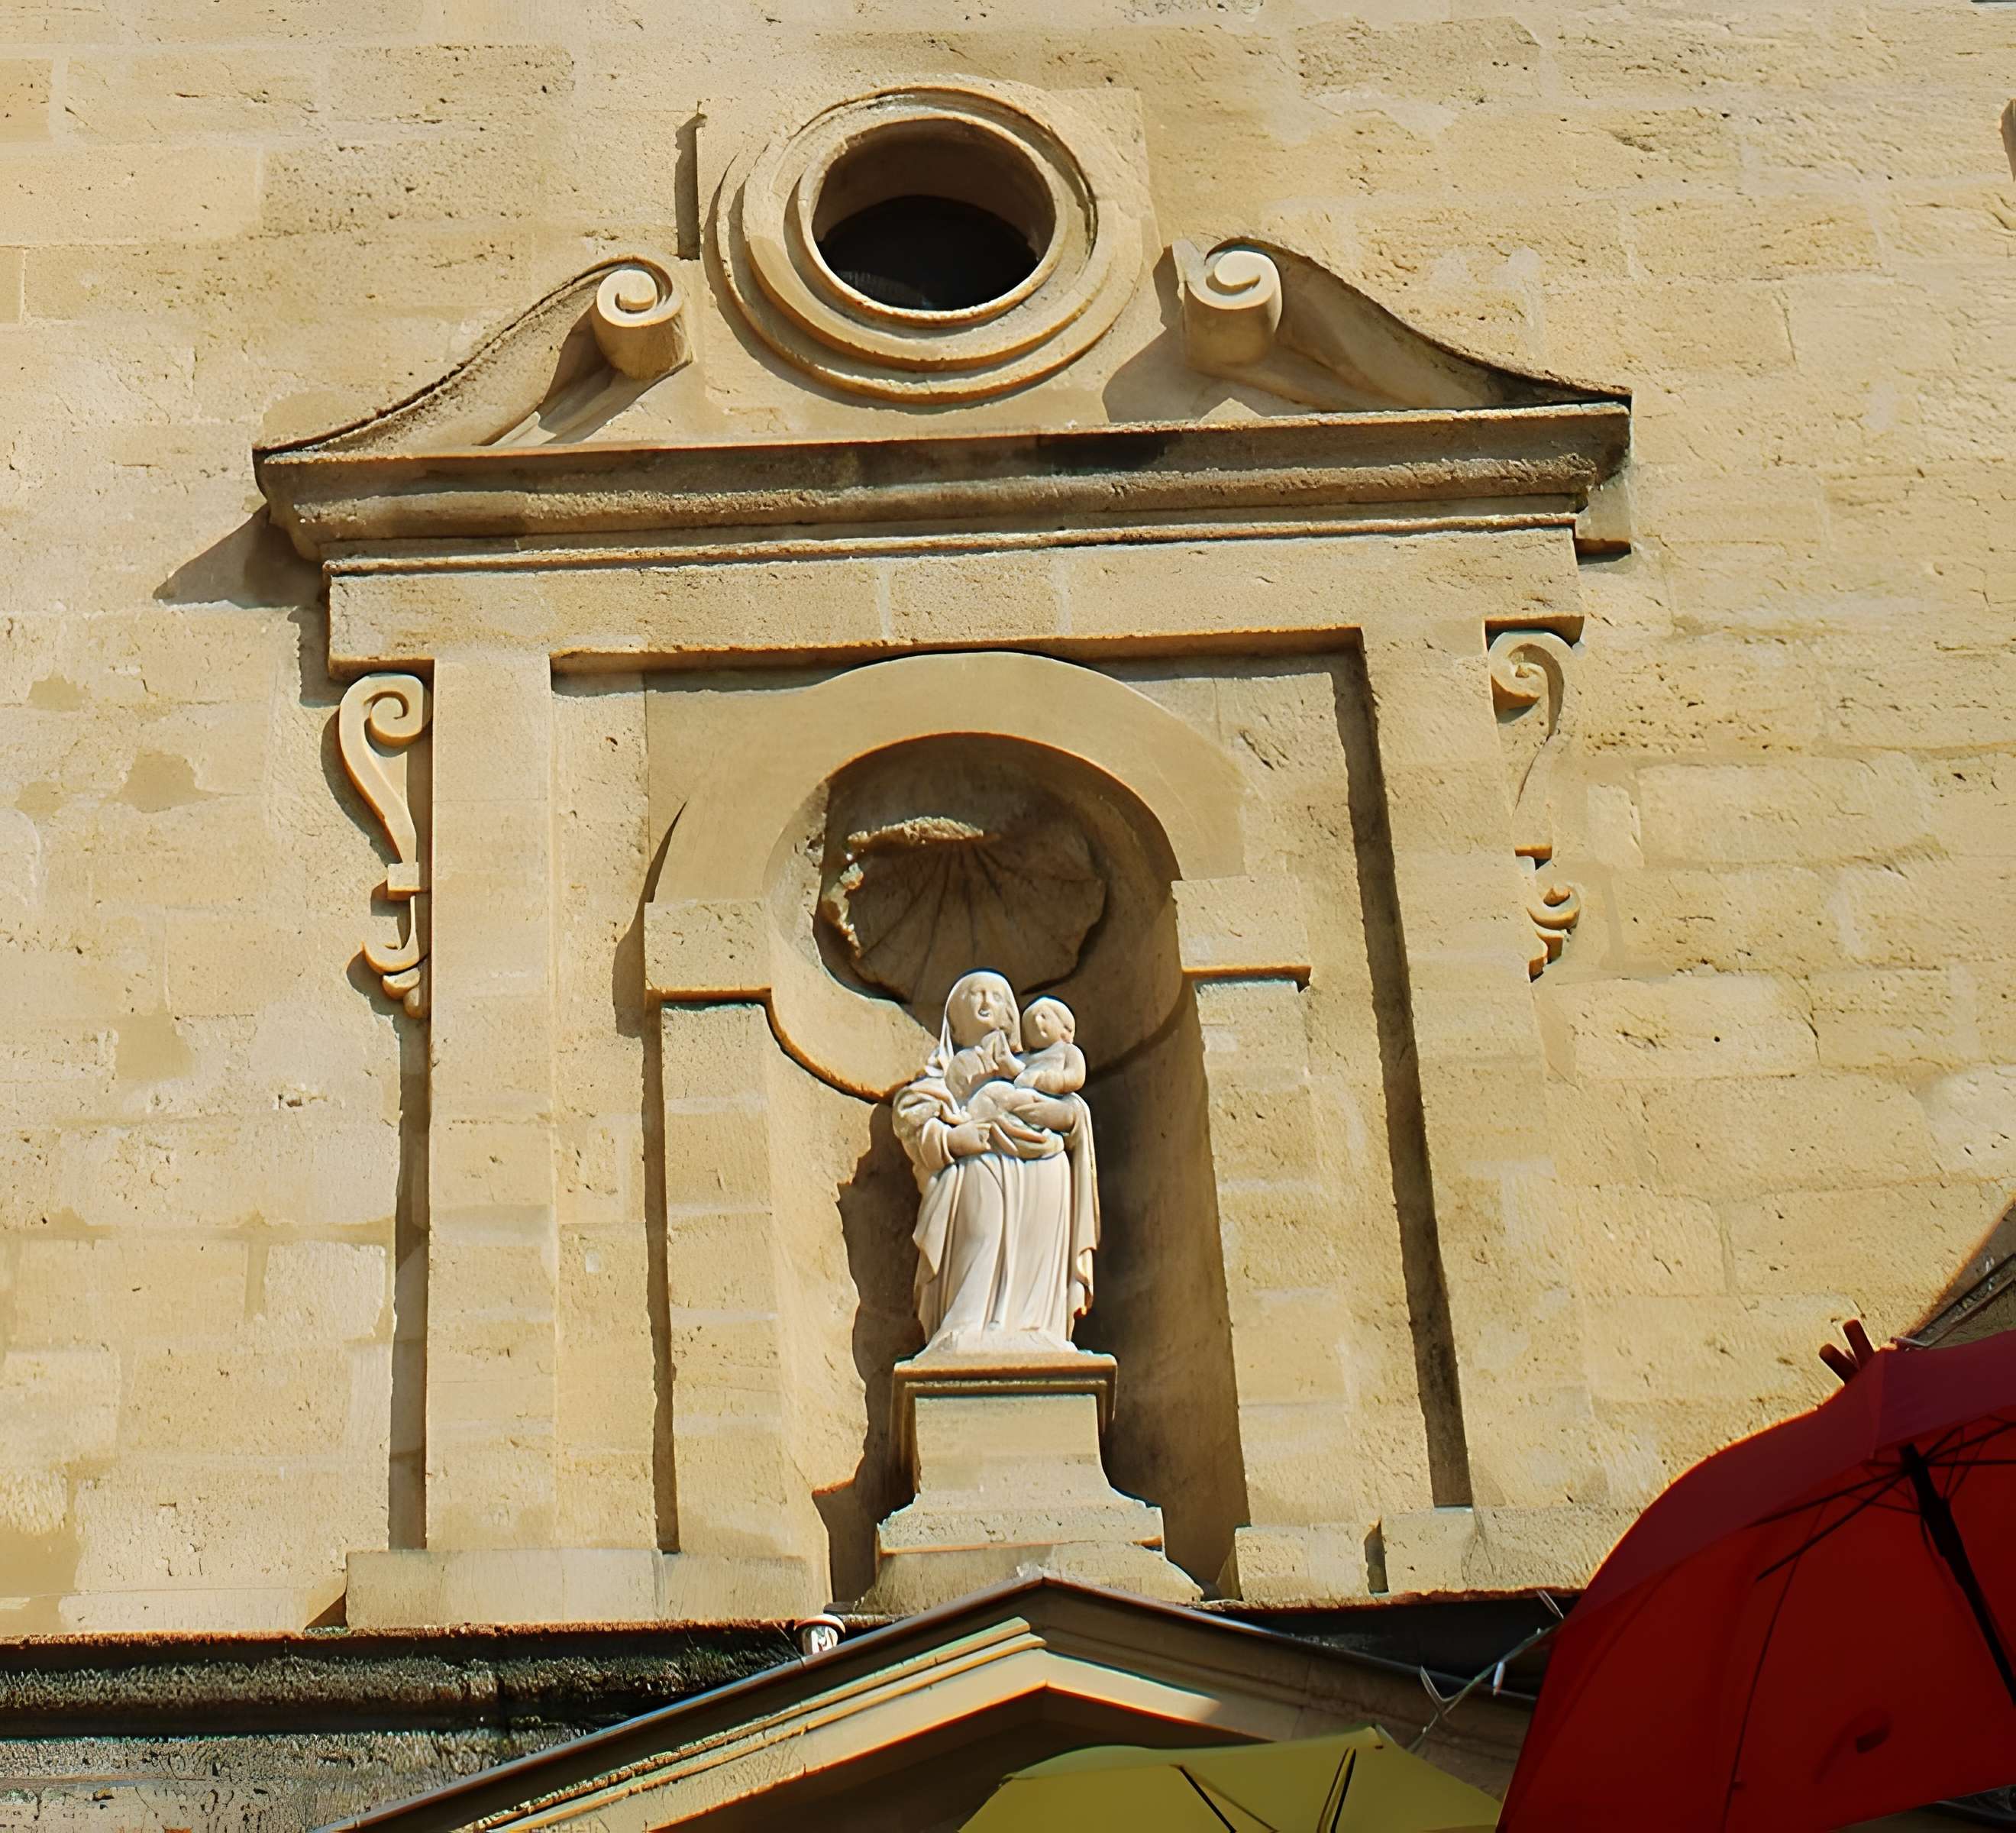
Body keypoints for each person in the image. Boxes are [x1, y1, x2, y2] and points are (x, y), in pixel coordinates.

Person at [891, 971, 1100, 1354]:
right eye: (976, 995)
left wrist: (1055, 1112)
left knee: (1034, 1249)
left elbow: (1073, 1109)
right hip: (978, 1165)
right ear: (954, 1021)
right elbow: (913, 1119)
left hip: (1044, 1166)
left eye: (996, 995)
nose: (987, 1002)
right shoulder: (942, 1075)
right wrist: (953, 1139)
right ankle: (964, 1323)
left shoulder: (1033, 1065)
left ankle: (1038, 1327)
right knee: (980, 1236)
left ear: (1011, 1014)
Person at [1015, 996, 1086, 1098]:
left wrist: (1049, 1080)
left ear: (1066, 1029)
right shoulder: (1027, 1057)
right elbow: (1015, 1067)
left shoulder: (1068, 1051)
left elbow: (1076, 1076)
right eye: (1030, 1024)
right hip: (1026, 1097)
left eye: (1044, 1016)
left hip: (1057, 1100)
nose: (1037, 1021)